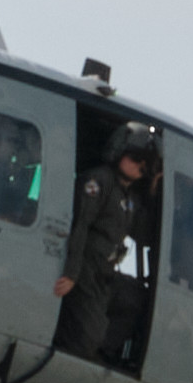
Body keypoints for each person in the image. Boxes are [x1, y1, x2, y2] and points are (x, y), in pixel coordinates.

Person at [54, 131, 161, 363]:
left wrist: (153, 191)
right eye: (135, 157)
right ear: (119, 152)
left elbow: (143, 234)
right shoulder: (98, 181)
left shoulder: (131, 198)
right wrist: (71, 274)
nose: (139, 166)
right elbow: (80, 225)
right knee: (86, 339)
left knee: (136, 300)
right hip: (86, 270)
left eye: (145, 163)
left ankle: (103, 354)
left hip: (105, 273)